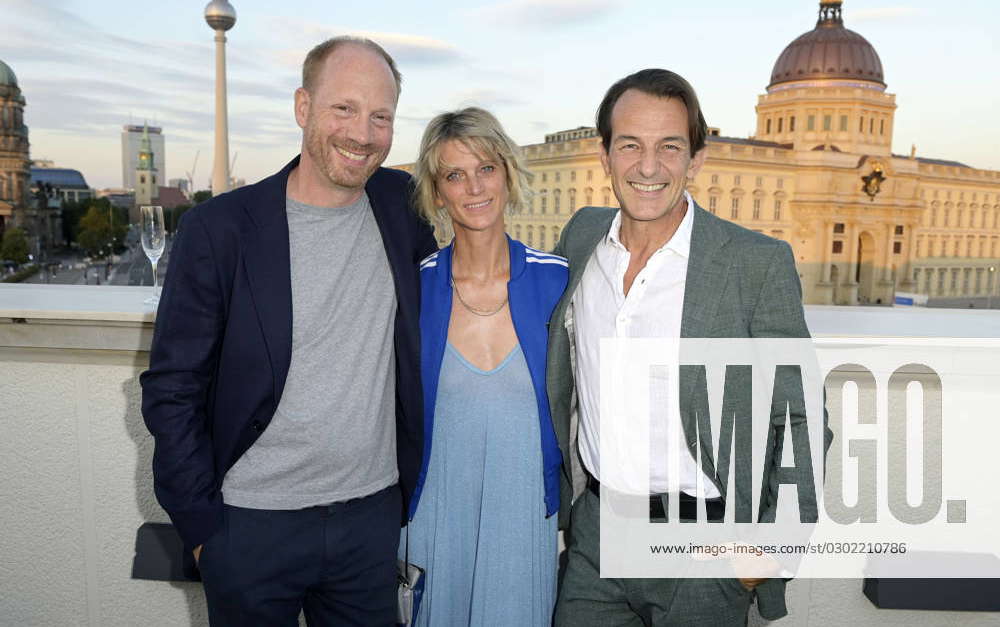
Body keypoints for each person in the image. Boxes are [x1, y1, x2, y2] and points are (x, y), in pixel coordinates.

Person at [140, 37, 437, 626]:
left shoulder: (402, 206)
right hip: (250, 526)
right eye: (344, 109)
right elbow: (172, 387)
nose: (363, 133)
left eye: (381, 116)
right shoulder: (220, 229)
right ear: (303, 107)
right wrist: (204, 533)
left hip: (370, 522)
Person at [547, 69, 832, 626]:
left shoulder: (753, 263)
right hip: (596, 536)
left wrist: (773, 547)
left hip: (707, 546)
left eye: (669, 147)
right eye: (630, 145)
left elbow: (800, 416)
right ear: (604, 155)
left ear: (695, 160)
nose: (648, 167)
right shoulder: (582, 238)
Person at [404, 107, 567, 626]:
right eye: (455, 174)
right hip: (433, 516)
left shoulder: (558, 281)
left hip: (525, 519)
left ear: (507, 174)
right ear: (436, 190)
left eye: (486, 168)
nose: (474, 186)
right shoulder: (415, 287)